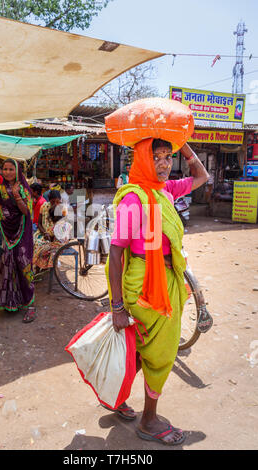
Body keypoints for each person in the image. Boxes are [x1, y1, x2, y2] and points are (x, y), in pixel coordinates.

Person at [107, 138, 210, 445]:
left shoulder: (164, 190)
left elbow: (202, 177)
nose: (164, 163)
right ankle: (148, 421)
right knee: (160, 352)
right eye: (156, 157)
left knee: (140, 348)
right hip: (144, 286)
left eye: (168, 157)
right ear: (140, 160)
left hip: (166, 278)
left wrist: (186, 148)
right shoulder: (134, 200)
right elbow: (114, 254)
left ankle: (115, 395)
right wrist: (116, 307)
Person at [0, 158, 36, 322]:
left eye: (11, 169)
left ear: (17, 171)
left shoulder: (23, 188)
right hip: (4, 233)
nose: (8, 172)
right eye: (5, 169)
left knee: (23, 266)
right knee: (6, 267)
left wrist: (16, 195)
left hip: (21, 233)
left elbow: (26, 212)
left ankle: (30, 304)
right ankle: (10, 302)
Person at [33, 190, 69, 271]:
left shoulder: (63, 209)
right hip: (44, 233)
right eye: (53, 202)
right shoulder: (44, 206)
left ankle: (47, 266)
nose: (56, 204)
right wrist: (45, 233)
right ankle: (39, 267)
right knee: (38, 244)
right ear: (49, 200)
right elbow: (39, 224)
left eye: (58, 202)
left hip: (58, 236)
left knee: (52, 248)